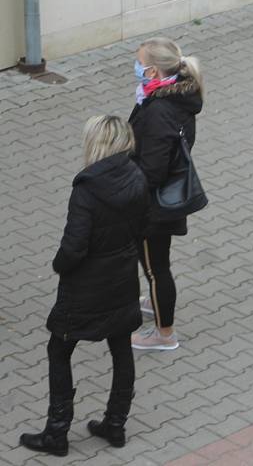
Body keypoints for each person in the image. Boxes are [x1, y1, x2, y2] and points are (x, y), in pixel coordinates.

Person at [20, 116, 149, 456]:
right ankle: (116, 424)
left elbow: (74, 248)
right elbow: (142, 229)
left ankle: (57, 432)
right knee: (121, 350)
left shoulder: (87, 189)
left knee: (59, 350)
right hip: (121, 281)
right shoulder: (138, 177)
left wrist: (58, 265)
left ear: (97, 144)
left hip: (84, 289)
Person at [128, 37, 204, 351]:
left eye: (140, 64)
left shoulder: (159, 109)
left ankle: (164, 334)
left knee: (157, 268)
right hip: (159, 199)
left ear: (155, 72)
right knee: (152, 263)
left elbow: (153, 170)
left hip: (153, 206)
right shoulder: (172, 97)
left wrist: (127, 189)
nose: (136, 69)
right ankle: (155, 306)